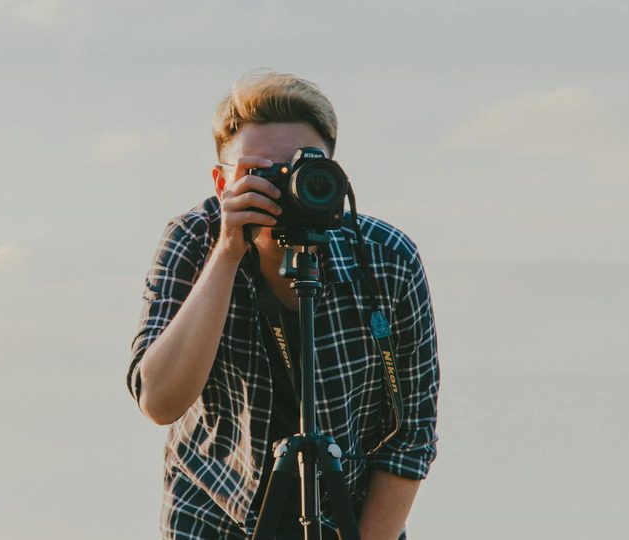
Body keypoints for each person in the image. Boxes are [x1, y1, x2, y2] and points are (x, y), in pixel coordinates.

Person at [126, 69, 440, 540]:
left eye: (300, 170)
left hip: (346, 519)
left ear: (332, 176)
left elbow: (411, 437)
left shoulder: (387, 260)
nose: (283, 188)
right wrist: (228, 252)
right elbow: (159, 402)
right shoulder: (194, 240)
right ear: (221, 183)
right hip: (214, 512)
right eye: (261, 174)